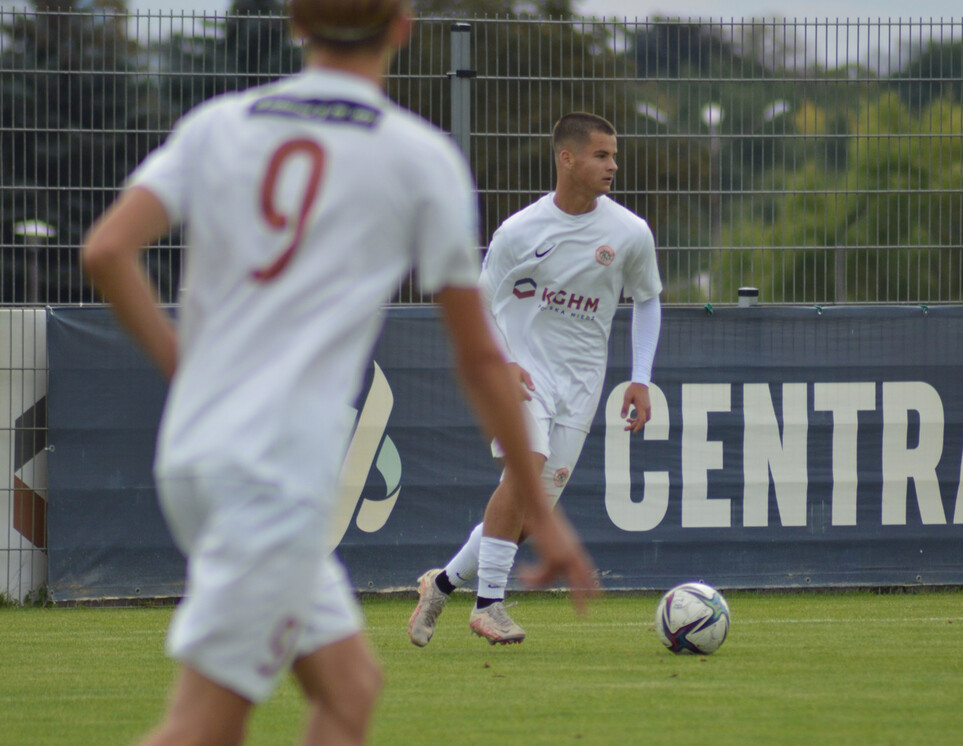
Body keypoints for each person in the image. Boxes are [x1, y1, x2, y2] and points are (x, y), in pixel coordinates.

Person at [81, 1, 596, 744]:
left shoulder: (219, 125)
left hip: (203, 453)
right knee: (203, 726)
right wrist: (543, 516)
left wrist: (183, 367)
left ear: (295, 22)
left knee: (351, 688)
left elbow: (106, 252)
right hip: (269, 472)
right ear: (402, 27)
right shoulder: (418, 157)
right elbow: (481, 356)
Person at [408, 112, 663, 647]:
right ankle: (490, 605)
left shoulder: (630, 233)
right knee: (528, 470)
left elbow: (647, 300)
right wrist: (502, 357)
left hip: (582, 385)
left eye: (614, 155)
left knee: (532, 510)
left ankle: (443, 582)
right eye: (601, 155)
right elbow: (479, 298)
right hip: (523, 375)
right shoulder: (520, 231)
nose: (613, 165)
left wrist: (640, 377)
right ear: (567, 158)